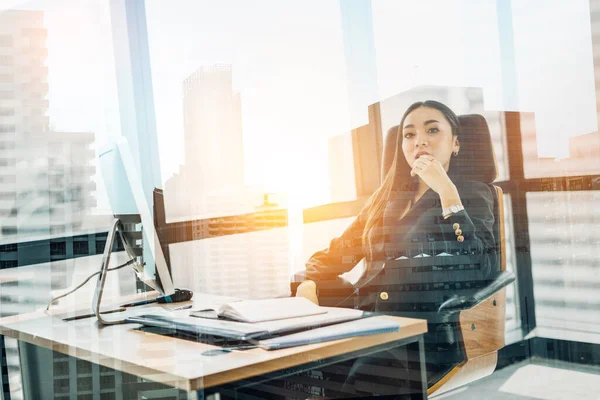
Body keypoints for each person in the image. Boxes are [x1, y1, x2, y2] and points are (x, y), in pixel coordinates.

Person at [296, 100, 499, 393]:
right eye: (409, 134)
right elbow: (336, 254)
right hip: (367, 320)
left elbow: (483, 267)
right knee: (275, 365)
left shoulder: (470, 193)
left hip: (424, 333)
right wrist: (309, 282)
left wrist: (446, 191)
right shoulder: (386, 199)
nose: (420, 142)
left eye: (433, 130)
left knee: (363, 378)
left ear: (455, 144)